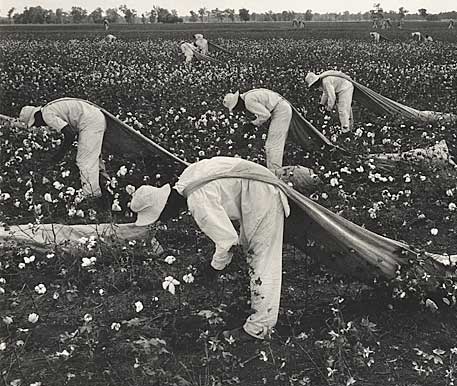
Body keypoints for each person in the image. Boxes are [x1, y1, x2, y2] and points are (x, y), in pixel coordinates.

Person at [129, 157, 290, 343]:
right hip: (257, 187)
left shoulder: (197, 199)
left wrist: (213, 269)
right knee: (253, 252)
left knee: (262, 259)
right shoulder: (186, 179)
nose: (166, 220)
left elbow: (228, 242)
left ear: (164, 207)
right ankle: (258, 306)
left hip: (262, 193)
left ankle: (259, 328)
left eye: (161, 216)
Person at [19, 98, 108, 198]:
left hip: (90, 122)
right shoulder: (50, 108)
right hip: (96, 118)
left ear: (36, 116)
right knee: (94, 158)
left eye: (35, 123)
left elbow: (70, 134)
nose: (38, 126)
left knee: (84, 161)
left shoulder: (47, 115)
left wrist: (58, 156)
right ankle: (107, 187)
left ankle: (92, 197)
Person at [223, 89, 292, 173]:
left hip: (281, 110)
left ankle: (276, 172)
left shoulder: (248, 102)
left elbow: (265, 115)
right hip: (280, 108)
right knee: (271, 144)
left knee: (274, 144)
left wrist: (253, 124)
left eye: (236, 108)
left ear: (238, 103)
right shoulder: (248, 96)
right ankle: (273, 170)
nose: (238, 110)